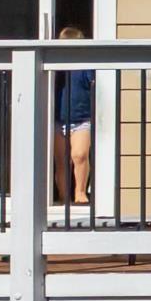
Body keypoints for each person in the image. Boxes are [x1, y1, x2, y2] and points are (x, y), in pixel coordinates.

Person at [52, 25, 94, 208]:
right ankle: (64, 196)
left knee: (80, 155)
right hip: (58, 119)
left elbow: (94, 83)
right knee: (62, 161)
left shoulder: (85, 67)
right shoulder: (55, 68)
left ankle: (80, 192)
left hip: (82, 118)